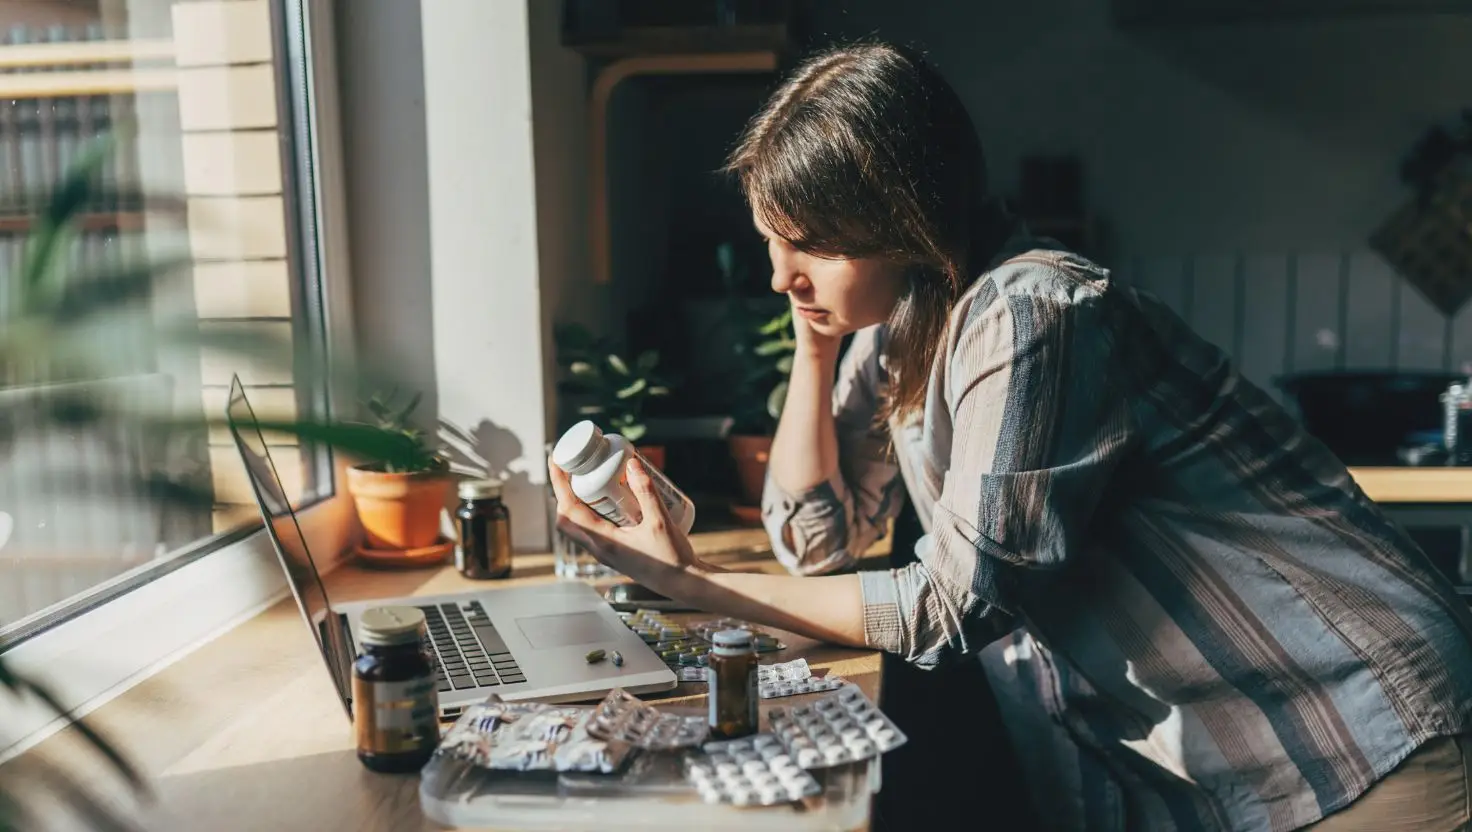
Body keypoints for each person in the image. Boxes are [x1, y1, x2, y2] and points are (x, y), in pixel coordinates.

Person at [548, 41, 1472, 831]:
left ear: (903, 218)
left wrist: (690, 582)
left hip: (1364, 722)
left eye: (813, 244)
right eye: (770, 241)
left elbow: (953, 609)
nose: (781, 274)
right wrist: (816, 350)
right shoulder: (903, 327)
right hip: (1261, 752)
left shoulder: (1032, 312)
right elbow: (816, 540)